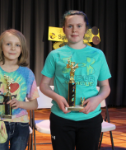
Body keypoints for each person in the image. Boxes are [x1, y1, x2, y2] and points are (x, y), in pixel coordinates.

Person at [40, 10, 111, 150]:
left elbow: (105, 87)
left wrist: (97, 99)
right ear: (64, 29)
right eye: (70, 26)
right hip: (61, 119)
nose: (74, 30)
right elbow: (43, 85)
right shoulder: (55, 55)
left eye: (79, 26)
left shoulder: (98, 55)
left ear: (86, 29)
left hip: (90, 119)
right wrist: (57, 97)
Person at [0, 29, 39, 150]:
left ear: (22, 49)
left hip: (21, 125)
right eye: (8, 44)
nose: (13, 48)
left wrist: (20, 103)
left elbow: (34, 104)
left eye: (17, 45)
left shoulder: (27, 73)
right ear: (1, 47)